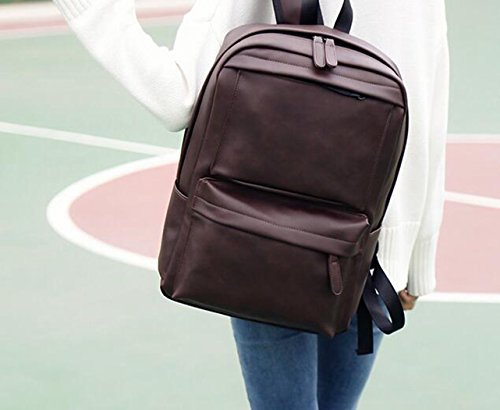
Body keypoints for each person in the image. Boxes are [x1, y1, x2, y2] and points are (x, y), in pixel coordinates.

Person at [53, 0, 449, 408]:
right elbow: (430, 95)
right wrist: (418, 254)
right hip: (372, 242)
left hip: (261, 238)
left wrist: (91, 10)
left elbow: (176, 98)